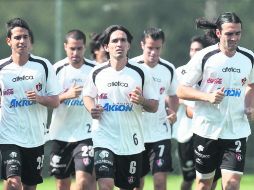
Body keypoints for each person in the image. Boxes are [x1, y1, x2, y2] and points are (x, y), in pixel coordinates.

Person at [177, 12, 254, 190]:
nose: (234, 38)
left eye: (237, 33)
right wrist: (207, 97)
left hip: (236, 131)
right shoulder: (204, 56)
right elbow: (181, 90)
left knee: (232, 183)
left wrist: (249, 105)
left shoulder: (248, 58)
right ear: (218, 33)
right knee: (204, 184)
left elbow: (251, 85)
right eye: (229, 34)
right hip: (207, 130)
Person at [83, 25, 159, 190]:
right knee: (105, 185)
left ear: (129, 45)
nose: (119, 44)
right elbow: (87, 95)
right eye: (115, 41)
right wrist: (91, 109)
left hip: (131, 142)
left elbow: (154, 106)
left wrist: (142, 101)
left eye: (123, 40)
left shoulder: (141, 72)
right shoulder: (97, 72)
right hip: (104, 138)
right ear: (106, 46)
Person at [0, 18, 60, 190]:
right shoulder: (2, 69)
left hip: (35, 137)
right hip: (8, 136)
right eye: (17, 37)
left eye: (25, 37)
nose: (22, 41)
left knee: (29, 186)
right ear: (9, 41)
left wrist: (39, 98)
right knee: (13, 182)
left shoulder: (43, 65)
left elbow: (55, 101)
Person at [130, 27, 178, 190]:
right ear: (142, 45)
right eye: (150, 47)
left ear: (162, 46)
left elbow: (173, 95)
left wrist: (173, 111)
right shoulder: (131, 66)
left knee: (159, 181)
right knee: (137, 183)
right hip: (136, 133)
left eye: (157, 48)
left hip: (160, 133)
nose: (153, 52)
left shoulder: (168, 68)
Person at [49, 29, 97, 190]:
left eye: (79, 48)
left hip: (86, 134)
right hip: (60, 134)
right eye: (72, 48)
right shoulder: (56, 69)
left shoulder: (95, 70)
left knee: (83, 180)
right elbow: (49, 101)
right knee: (62, 184)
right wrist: (66, 95)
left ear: (84, 48)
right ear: (65, 47)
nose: (75, 52)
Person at [174, 35, 219, 190]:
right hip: (186, 132)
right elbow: (174, 96)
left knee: (210, 177)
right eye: (192, 49)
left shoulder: (212, 71)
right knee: (189, 178)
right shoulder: (180, 72)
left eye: (198, 50)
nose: (194, 53)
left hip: (209, 130)